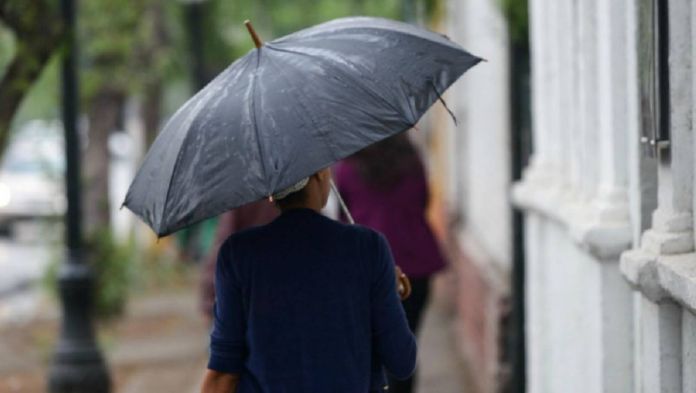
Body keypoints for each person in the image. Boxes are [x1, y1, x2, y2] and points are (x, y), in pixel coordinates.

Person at [200, 168, 417, 393]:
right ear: (320, 176)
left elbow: (223, 372)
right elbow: (402, 361)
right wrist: (386, 291)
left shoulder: (238, 254)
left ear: (271, 192)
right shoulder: (368, 247)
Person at [334, 133, 447, 393]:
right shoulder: (412, 161)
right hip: (414, 265)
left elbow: (343, 218)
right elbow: (424, 200)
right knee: (405, 345)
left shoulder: (348, 168)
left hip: (366, 269)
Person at [199, 201, 279, 322]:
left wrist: (210, 294)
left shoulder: (244, 193)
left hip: (242, 296)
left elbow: (224, 244)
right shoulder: (299, 192)